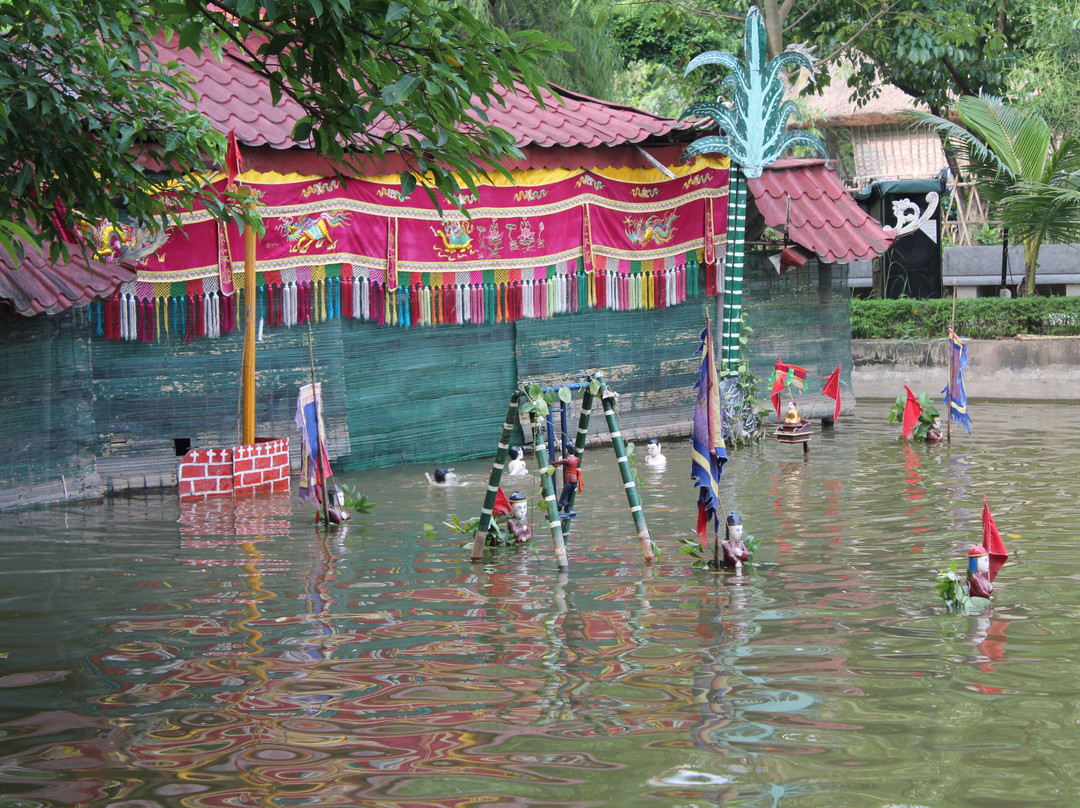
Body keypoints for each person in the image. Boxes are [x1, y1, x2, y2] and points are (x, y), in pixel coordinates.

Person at [553, 445, 583, 516]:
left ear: (568, 451)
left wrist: (553, 462)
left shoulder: (567, 460)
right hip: (575, 480)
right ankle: (567, 508)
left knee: (563, 495)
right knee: (570, 496)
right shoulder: (577, 459)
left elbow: (558, 462)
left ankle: (559, 506)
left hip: (569, 480)